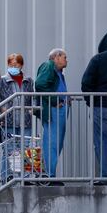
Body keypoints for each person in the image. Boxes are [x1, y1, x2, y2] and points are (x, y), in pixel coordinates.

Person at [81, 29, 107, 182]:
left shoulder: (98, 59)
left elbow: (86, 82)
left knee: (103, 141)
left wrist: (91, 101)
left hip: (102, 106)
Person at [0, 54, 35, 182]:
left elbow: (32, 96)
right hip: (8, 121)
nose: (13, 67)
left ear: (21, 65)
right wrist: (1, 107)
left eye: (16, 65)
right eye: (11, 65)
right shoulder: (2, 80)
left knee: (25, 149)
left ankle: (24, 177)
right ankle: (7, 176)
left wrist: (32, 107)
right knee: (9, 150)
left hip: (25, 121)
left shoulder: (28, 81)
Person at [35, 49, 69, 184]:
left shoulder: (57, 71)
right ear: (57, 57)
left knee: (56, 142)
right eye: (65, 57)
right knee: (52, 142)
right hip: (54, 109)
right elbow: (40, 84)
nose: (67, 60)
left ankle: (50, 174)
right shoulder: (49, 66)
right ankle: (48, 176)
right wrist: (56, 100)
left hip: (58, 108)